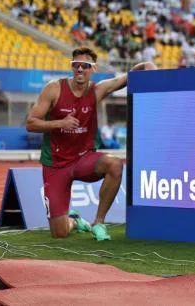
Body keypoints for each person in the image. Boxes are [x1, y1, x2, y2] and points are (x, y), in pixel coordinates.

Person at [26, 47, 156, 240]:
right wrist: (60, 123)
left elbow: (126, 77)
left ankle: (99, 222)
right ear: (71, 67)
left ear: (93, 69)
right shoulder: (54, 89)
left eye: (85, 66)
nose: (80, 69)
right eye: (76, 65)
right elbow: (31, 123)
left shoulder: (97, 90)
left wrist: (148, 65)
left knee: (115, 164)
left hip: (83, 159)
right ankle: (74, 220)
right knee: (59, 233)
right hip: (56, 164)